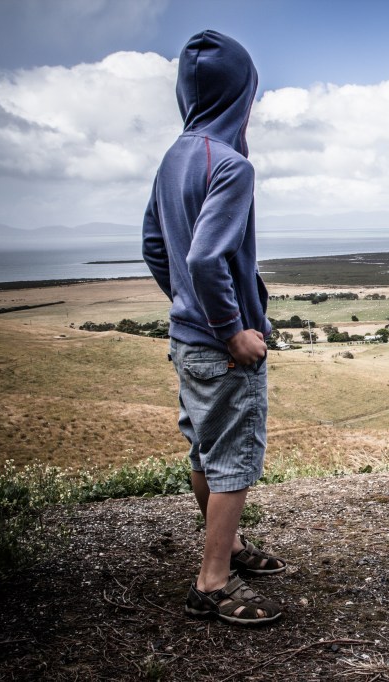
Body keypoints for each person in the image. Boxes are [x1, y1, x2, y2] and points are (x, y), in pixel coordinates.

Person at [143, 30, 286, 625]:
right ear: (242, 95)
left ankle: (226, 549)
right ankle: (213, 583)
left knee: (206, 453)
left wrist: (187, 309)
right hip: (223, 350)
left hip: (185, 342)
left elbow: (157, 248)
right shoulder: (231, 166)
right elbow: (205, 259)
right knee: (234, 463)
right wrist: (231, 329)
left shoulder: (174, 157)